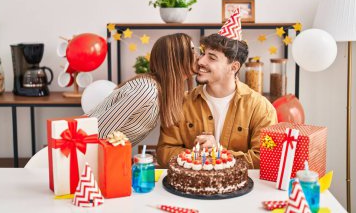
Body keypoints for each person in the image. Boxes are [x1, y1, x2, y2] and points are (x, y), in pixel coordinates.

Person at [157, 33, 277, 168]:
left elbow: (266, 157)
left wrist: (219, 153)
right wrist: (198, 156)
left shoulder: (261, 108)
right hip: (191, 187)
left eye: (212, 58)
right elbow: (164, 152)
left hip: (242, 189)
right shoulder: (181, 102)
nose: (200, 61)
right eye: (203, 54)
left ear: (233, 67)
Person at [87, 33, 197, 146]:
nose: (198, 55)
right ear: (175, 58)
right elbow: (96, 133)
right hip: (83, 155)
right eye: (192, 50)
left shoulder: (162, 92)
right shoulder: (146, 91)